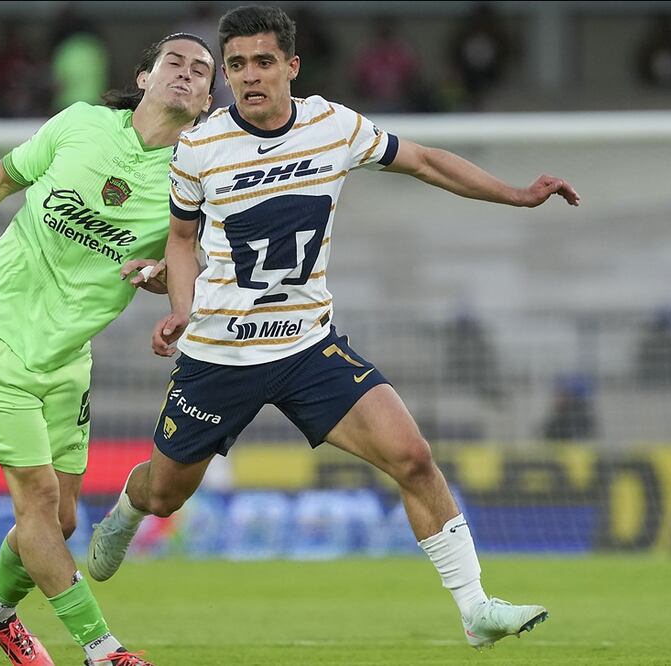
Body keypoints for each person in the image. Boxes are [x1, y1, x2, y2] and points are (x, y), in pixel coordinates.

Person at [88, 5, 580, 652]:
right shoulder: (200, 145)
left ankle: (475, 607)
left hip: (307, 345)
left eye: (263, 62)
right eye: (236, 65)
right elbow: (182, 240)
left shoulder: (333, 125)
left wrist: (515, 194)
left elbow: (426, 161)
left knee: (413, 457)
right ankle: (128, 511)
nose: (249, 76)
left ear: (291, 66)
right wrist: (178, 310)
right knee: (164, 495)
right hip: (218, 356)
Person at [0, 33, 215, 666]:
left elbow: (185, 272)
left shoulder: (193, 174)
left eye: (202, 72)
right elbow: (0, 178)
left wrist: (162, 283)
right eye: (175, 62)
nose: (187, 74)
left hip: (65, 355)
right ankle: (103, 651)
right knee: (34, 502)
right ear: (144, 77)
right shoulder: (83, 123)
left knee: (58, 523)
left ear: (204, 102)